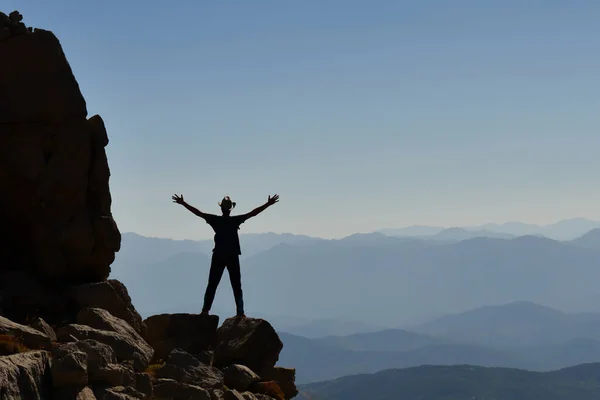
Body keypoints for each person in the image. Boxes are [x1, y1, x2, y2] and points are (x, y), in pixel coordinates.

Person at [172, 193, 280, 318]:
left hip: (218, 255)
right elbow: (253, 213)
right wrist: (268, 204)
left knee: (212, 283)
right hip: (232, 255)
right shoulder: (235, 220)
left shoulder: (215, 220)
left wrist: (183, 203)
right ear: (230, 209)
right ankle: (240, 312)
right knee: (236, 285)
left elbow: (198, 213)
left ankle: (205, 310)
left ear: (221, 209)